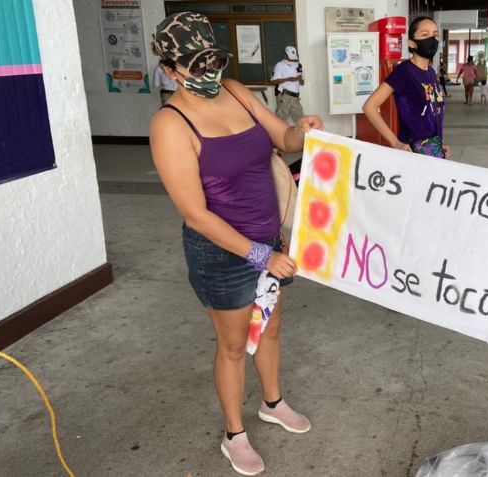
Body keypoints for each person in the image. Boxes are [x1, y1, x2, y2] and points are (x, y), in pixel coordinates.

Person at [149, 12, 322, 475]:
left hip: (270, 239)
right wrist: (261, 255)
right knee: (233, 344)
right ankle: (234, 434)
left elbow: (282, 141)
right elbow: (196, 214)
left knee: (270, 326)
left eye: (214, 60)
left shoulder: (237, 91)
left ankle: (272, 402)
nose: (209, 73)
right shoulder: (170, 124)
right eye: (194, 65)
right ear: (170, 69)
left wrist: (301, 130)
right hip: (221, 253)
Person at [362, 16, 448, 159]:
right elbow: (369, 107)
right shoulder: (404, 71)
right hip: (413, 153)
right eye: (425, 34)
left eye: (435, 35)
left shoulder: (431, 72)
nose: (432, 39)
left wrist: (438, 145)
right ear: (412, 43)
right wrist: (395, 143)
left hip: (432, 151)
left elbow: (432, 112)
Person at [271, 46, 304, 124]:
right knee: (280, 121)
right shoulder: (279, 65)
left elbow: (302, 83)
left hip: (295, 98)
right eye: (290, 58)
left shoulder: (298, 65)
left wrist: (299, 78)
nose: (292, 60)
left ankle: (301, 136)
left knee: (301, 121)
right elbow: (274, 81)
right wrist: (288, 79)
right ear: (285, 55)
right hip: (284, 96)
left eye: (293, 58)